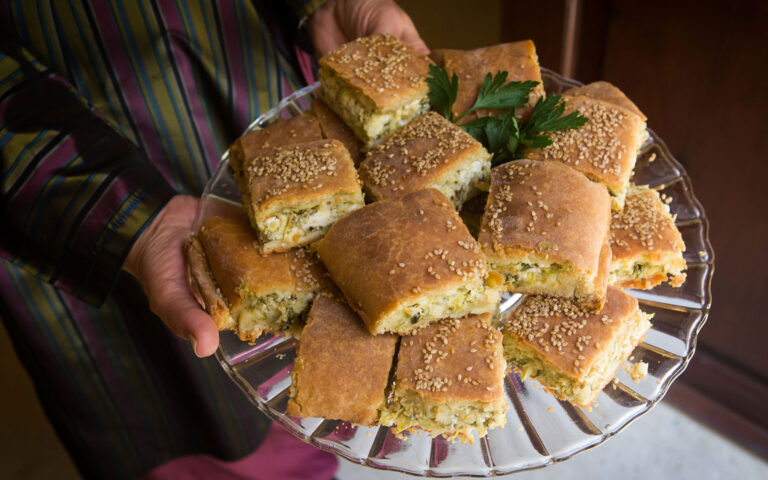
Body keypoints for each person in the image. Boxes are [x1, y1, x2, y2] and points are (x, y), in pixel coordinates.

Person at [0, 1, 427, 478]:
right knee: (191, 418)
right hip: (67, 181)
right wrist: (130, 215)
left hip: (260, 78)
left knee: (324, 374)